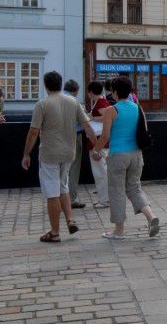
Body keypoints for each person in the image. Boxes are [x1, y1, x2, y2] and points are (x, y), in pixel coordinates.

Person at [22, 71, 97, 243]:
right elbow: (87, 125)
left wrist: (26, 153)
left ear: (45, 85)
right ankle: (70, 220)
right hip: (69, 152)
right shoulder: (73, 102)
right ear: (61, 84)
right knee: (63, 186)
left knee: (52, 192)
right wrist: (95, 146)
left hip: (50, 153)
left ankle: (54, 232)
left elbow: (34, 131)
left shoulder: (42, 104)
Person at [94, 76, 160, 240]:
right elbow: (144, 130)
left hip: (118, 155)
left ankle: (119, 230)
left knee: (116, 191)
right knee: (134, 188)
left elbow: (105, 136)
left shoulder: (112, 110)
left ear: (115, 92)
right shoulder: (137, 108)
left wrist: (96, 150)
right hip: (136, 154)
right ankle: (151, 217)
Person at [63, 79, 88, 209]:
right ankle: (72, 199)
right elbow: (84, 122)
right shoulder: (74, 102)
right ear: (76, 90)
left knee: (61, 169)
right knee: (73, 169)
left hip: (59, 138)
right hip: (74, 136)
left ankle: (59, 198)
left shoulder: (53, 100)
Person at [86, 81, 111, 208]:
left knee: (100, 172)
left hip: (99, 140)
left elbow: (107, 117)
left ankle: (105, 200)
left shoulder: (100, 102)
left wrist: (92, 118)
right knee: (101, 171)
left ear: (91, 91)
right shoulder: (101, 101)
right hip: (101, 140)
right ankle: (103, 198)